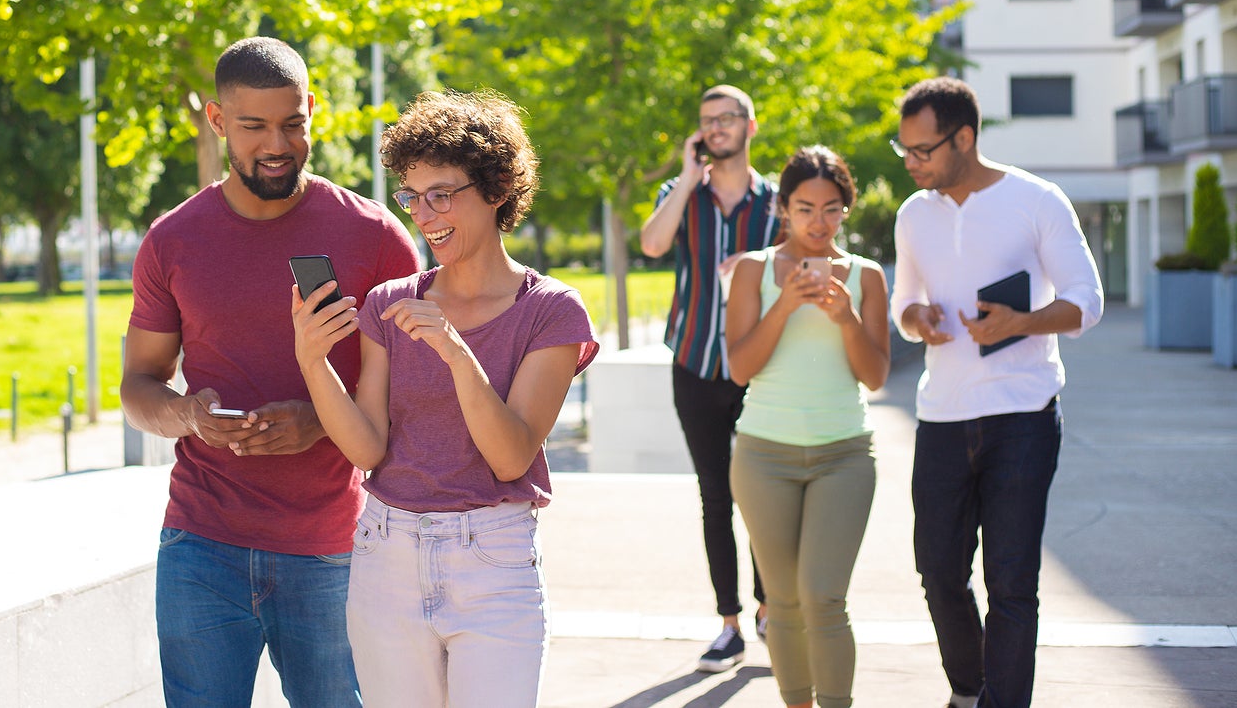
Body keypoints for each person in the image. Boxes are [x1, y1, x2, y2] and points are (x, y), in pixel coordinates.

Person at [121, 37, 420, 708]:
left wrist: (319, 420)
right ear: (218, 121)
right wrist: (189, 415)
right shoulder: (173, 239)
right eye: (254, 127)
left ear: (313, 109)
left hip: (334, 547)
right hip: (201, 545)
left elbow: (419, 387)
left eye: (293, 123)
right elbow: (138, 385)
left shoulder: (375, 237)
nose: (276, 144)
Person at [293, 89, 598, 708]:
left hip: (493, 560)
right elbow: (367, 447)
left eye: (442, 194)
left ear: (496, 190)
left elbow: (511, 457)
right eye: (412, 196)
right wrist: (312, 360)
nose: (424, 215)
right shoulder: (387, 302)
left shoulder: (551, 312)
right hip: (386, 554)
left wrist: (457, 352)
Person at [890, 77, 1103, 708]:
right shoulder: (913, 215)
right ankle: (969, 690)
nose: (909, 162)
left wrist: (1022, 322)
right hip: (941, 416)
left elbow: (1086, 302)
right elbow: (905, 301)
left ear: (964, 138)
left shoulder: (1037, 200)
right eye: (903, 148)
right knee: (939, 574)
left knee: (1012, 582)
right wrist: (917, 321)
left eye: (922, 150)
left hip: (1023, 415)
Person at [725, 147, 890, 708]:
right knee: (784, 600)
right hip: (763, 456)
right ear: (784, 208)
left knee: (823, 597)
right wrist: (783, 306)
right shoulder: (751, 270)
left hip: (844, 454)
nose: (819, 223)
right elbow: (740, 367)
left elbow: (875, 376)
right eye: (805, 208)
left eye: (831, 208)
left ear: (846, 208)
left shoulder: (866, 277)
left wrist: (845, 318)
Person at [639, 84, 775, 671]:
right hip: (694, 363)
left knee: (764, 495)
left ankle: (772, 609)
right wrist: (689, 177)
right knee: (715, 495)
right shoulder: (682, 192)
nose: (716, 129)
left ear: (750, 125)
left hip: (761, 369)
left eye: (727, 119)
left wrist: (751, 270)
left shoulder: (777, 200)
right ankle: (730, 625)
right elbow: (651, 243)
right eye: (706, 122)